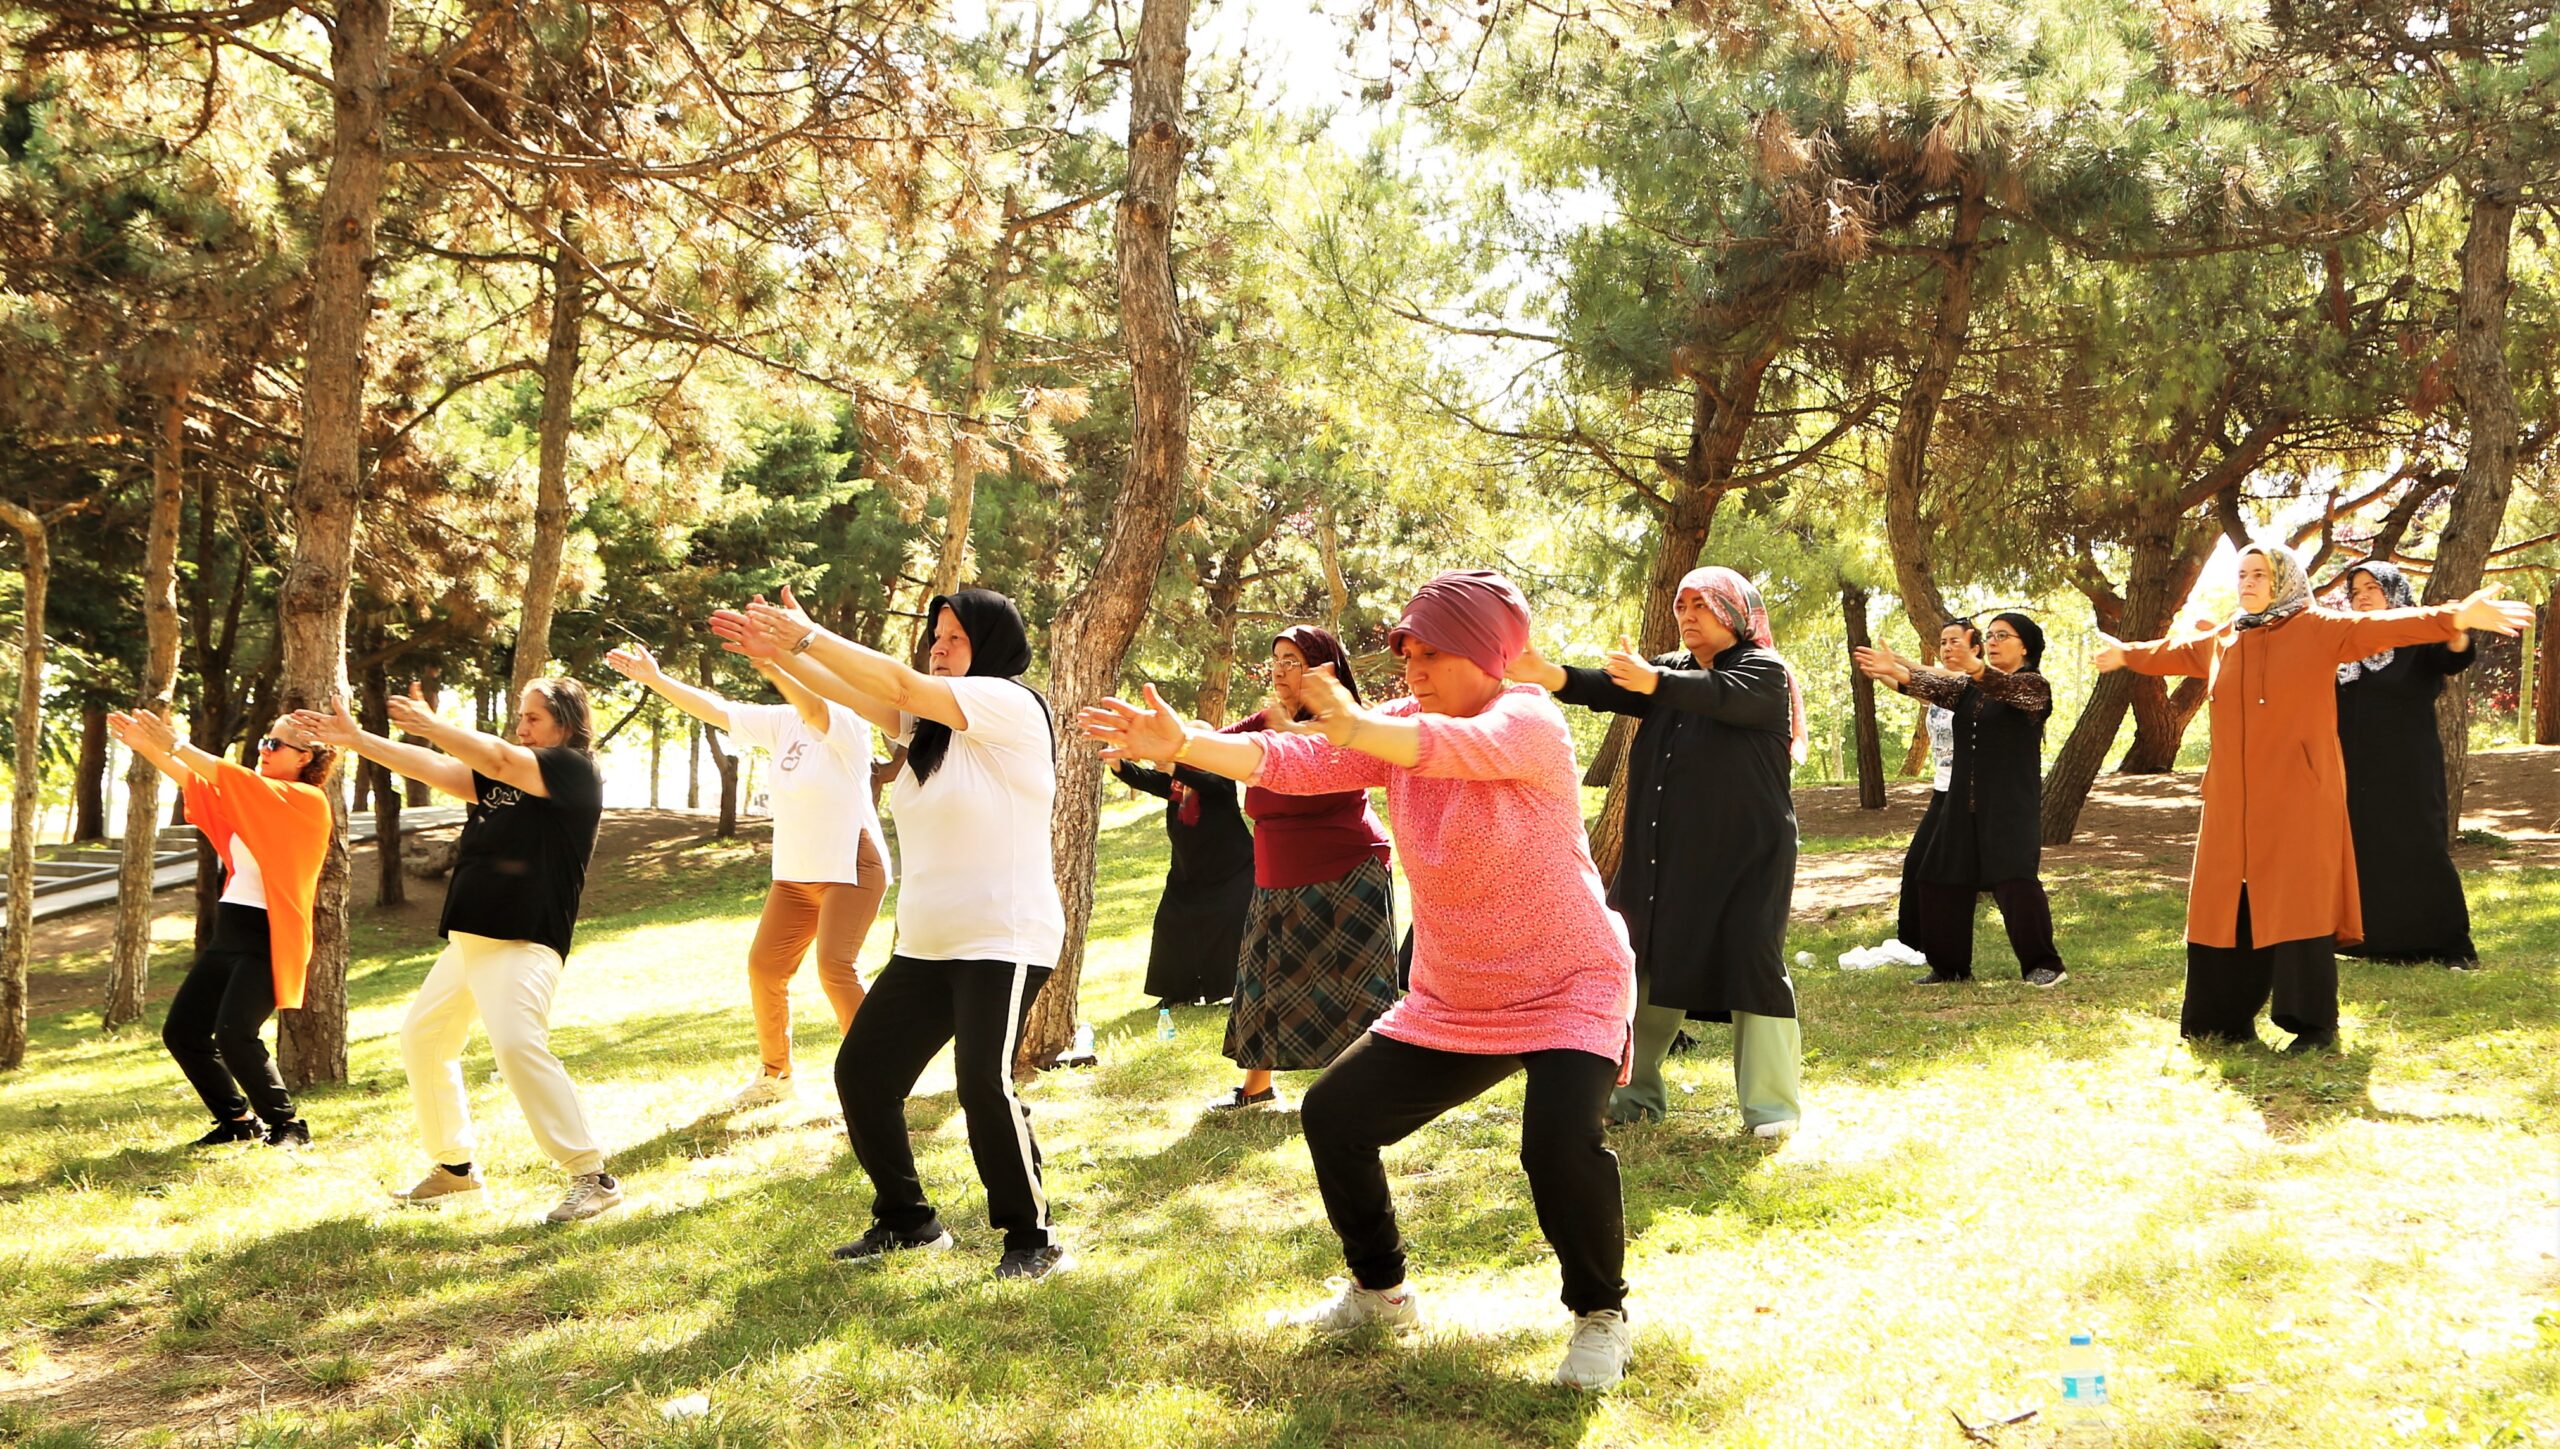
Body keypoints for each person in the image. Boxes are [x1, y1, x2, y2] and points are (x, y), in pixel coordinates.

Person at [1081, 569, 1640, 1391]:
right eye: (1407, 654)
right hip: (1457, 994)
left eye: (1433, 653)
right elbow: (1293, 759)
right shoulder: (1399, 723)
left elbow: (1441, 747)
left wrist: (1356, 725)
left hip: (1568, 981)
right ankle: (1381, 1292)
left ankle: (1600, 1314)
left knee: (1557, 1145)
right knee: (1335, 1114)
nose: (1414, 670)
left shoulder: (1528, 718)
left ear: (1486, 652)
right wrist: (1185, 745)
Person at [713, 585, 1070, 1281]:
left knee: (982, 1083)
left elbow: (897, 683)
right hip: (928, 944)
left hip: (1004, 938)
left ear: (992, 646)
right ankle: (909, 1222)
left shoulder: (1010, 704)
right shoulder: (926, 728)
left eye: (956, 637)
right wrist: (778, 657)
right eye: (935, 636)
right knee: (864, 1073)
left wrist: (805, 635)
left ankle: (1032, 1238)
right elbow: (848, 690)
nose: (939, 647)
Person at [2094, 543, 2530, 1052]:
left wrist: (2455, 616)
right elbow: (2173, 653)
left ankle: (2313, 1026)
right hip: (2230, 802)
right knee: (2226, 903)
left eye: (2260, 574)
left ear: (2284, 580)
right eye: (2242, 574)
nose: (2248, 583)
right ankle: (2219, 1020)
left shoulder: (2319, 628)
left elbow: (2388, 626)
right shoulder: (2225, 638)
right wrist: (2125, 653)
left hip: (2300, 796)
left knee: (2298, 903)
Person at [294, 678, 622, 1222]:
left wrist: (433, 725)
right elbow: (434, 769)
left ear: (566, 724)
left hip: (521, 939)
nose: (521, 727)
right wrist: (357, 739)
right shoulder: (505, 777)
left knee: (517, 1047)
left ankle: (593, 1177)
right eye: (520, 716)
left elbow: (497, 756)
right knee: (424, 1039)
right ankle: (455, 1169)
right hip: (473, 938)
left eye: (534, 718)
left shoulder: (572, 769)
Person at [1509, 565, 1804, 1134]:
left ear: (1734, 612)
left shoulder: (1763, 670)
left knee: (1753, 966)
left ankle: (1771, 1109)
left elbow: (1717, 695)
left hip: (1746, 859)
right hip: (1662, 858)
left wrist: (1654, 682)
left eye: (1701, 604)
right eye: (1681, 606)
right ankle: (1633, 1097)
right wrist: (1549, 674)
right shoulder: (1671, 670)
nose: (1687, 616)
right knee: (1642, 965)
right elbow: (1608, 687)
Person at [606, 638, 891, 1105]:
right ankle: (776, 1076)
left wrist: (776, 666)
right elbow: (719, 711)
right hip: (796, 872)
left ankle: (876, 1078)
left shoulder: (849, 721)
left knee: (835, 968)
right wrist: (655, 679)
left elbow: (816, 710)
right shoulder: (784, 722)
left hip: (851, 864)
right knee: (765, 967)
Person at [109, 707, 334, 1150]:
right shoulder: (252, 799)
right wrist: (147, 746)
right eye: (264, 741)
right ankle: (237, 1120)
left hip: (268, 939)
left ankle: (288, 1125)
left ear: (304, 757)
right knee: (183, 1032)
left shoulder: (306, 801)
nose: (263, 749)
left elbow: (227, 775)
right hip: (231, 932)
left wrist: (174, 742)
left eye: (274, 744)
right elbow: (197, 781)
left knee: (234, 1033)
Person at [1192, 627, 1397, 1112]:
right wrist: (1171, 742)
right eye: (1277, 659)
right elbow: (1211, 751)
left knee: (1354, 986)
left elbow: (1327, 763)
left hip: (1346, 869)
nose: (1281, 670)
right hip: (1277, 871)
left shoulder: (1346, 722)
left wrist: (1289, 732)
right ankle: (1256, 1088)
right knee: (1264, 980)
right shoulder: (1268, 717)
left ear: (1323, 668)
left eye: (1293, 661)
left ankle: (1368, 1089)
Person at [1855, 611, 2067, 987]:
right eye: (1991, 635)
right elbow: (1930, 686)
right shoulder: (1971, 689)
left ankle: (2043, 965)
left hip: (2008, 808)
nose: (1994, 642)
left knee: (2014, 882)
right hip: (1961, 805)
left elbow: (2004, 688)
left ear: (2025, 647)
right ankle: (1949, 968)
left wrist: (1974, 667)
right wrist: (1892, 670)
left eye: (2003, 636)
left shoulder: (2034, 687)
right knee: (1940, 876)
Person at [2333, 559, 2479, 966]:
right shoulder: (2344, 649)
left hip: (2409, 768)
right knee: (2367, 850)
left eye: (2372, 589)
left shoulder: (2417, 638)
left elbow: (2455, 657)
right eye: (2355, 592)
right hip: (2356, 770)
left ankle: (2450, 945)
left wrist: (2454, 628)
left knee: (2421, 847)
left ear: (2393, 592)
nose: (2362, 598)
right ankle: (2377, 944)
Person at [1110, 702, 1254, 1008]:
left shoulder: (1220, 775)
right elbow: (1147, 779)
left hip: (1233, 871)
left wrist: (1175, 766)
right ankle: (1177, 992)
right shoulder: (1177, 783)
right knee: (1171, 926)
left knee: (1227, 927)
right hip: (1188, 873)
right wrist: (1118, 763)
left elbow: (1207, 784)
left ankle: (1230, 990)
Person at [1894, 618, 1984, 954]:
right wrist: (1880, 666)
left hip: (1971, 794)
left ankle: (1939, 947)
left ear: (1976, 649)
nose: (1946, 648)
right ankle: (1912, 943)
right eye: (1942, 642)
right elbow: (1904, 683)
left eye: (1954, 642)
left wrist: (1902, 662)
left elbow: (1942, 677)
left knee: (1954, 872)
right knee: (1917, 863)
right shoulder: (1938, 686)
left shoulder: (1977, 685)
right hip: (1942, 791)